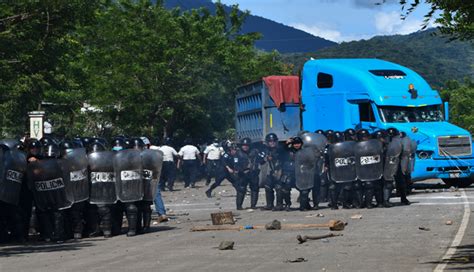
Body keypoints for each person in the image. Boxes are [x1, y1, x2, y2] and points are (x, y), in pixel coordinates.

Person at [260, 133, 284, 211]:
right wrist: (265, 158)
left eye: (273, 141)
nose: (272, 142)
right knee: (268, 187)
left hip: (279, 171)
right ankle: (269, 204)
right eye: (270, 141)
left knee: (279, 187)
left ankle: (279, 205)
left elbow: (281, 156)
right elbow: (260, 160)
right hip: (269, 171)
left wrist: (273, 157)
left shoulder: (280, 149)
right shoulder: (265, 150)